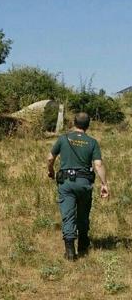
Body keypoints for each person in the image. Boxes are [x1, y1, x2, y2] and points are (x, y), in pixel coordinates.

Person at [47, 112, 109, 261]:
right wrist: (104, 184)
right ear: (88, 125)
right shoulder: (92, 142)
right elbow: (98, 164)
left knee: (68, 215)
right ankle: (83, 245)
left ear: (74, 123)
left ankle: (70, 251)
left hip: (66, 183)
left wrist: (51, 171)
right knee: (83, 214)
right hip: (84, 183)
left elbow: (50, 158)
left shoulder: (63, 139)